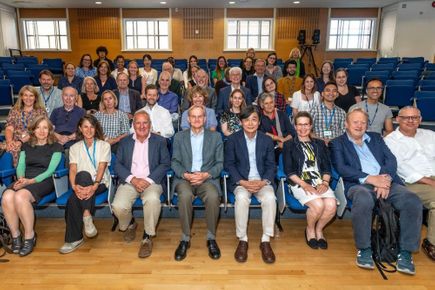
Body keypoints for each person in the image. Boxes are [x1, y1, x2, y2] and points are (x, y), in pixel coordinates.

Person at [330, 108, 422, 275]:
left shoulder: (377, 138)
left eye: (363, 122)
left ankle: (406, 253)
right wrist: (370, 179)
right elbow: (342, 168)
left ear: (367, 124)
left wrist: (383, 180)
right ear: (346, 124)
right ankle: (364, 248)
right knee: (364, 199)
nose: (359, 125)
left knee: (412, 200)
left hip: (387, 182)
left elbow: (391, 160)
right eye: (355, 122)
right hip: (359, 184)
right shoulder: (337, 143)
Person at [112, 111, 170, 258]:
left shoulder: (160, 141)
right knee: (118, 206)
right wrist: (133, 179)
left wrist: (148, 180)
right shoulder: (124, 142)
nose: (142, 126)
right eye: (138, 123)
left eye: (145, 123)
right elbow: (117, 165)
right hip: (130, 181)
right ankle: (131, 222)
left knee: (152, 200)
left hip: (152, 182)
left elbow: (165, 164)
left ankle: (147, 237)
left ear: (150, 125)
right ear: (133, 125)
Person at [1, 116, 63, 256]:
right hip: (25, 178)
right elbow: (21, 165)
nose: (41, 131)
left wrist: (30, 181)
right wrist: (21, 178)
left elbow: (50, 171)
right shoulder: (26, 145)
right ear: (33, 130)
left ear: (50, 130)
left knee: (20, 196)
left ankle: (30, 236)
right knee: (7, 196)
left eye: (45, 128)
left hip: (44, 180)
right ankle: (16, 236)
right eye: (38, 127)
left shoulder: (56, 146)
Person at [224, 105, 277, 264]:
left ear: (259, 122)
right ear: (241, 122)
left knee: (269, 197)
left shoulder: (266, 140)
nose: (250, 123)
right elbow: (229, 164)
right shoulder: (233, 139)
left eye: (254, 119)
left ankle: (265, 239)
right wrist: (243, 182)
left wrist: (263, 182)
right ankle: (243, 239)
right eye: (246, 120)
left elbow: (271, 165)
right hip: (242, 180)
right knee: (241, 198)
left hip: (262, 181)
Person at [171, 105, 223, 261]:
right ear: (188, 119)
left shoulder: (216, 137)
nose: (197, 119)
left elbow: (220, 163)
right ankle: (185, 238)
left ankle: (211, 237)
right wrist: (186, 175)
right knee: (185, 196)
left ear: (205, 119)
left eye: (200, 116)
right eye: (193, 116)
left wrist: (206, 175)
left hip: (206, 178)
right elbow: (174, 162)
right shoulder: (179, 137)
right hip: (185, 178)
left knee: (213, 196)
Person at [384, 106, 435, 261]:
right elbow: (401, 168)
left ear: (420, 120)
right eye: (406, 118)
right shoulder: (391, 140)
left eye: (415, 117)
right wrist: (429, 181)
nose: (411, 121)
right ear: (397, 120)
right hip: (412, 182)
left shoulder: (430, 135)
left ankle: (430, 241)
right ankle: (432, 242)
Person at [283, 111, 337, 250]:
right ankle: (310, 230)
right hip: (299, 182)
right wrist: (304, 184)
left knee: (331, 205)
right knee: (318, 205)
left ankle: (319, 230)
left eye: (306, 124)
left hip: (319, 181)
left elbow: (326, 167)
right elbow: (289, 171)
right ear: (295, 126)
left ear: (311, 125)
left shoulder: (319, 143)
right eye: (299, 125)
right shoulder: (289, 144)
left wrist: (325, 183)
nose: (302, 128)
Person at [59, 114, 112, 254]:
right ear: (80, 129)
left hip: (100, 183)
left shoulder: (104, 145)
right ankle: (86, 217)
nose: (89, 130)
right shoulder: (74, 148)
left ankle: (74, 237)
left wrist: (94, 186)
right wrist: (74, 187)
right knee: (76, 190)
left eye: (92, 127)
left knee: (82, 179)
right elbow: (73, 169)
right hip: (80, 186)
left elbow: (101, 167)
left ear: (96, 128)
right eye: (85, 127)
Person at [2, 85, 47, 165]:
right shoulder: (14, 110)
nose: (28, 98)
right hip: (14, 140)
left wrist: (20, 141)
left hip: (33, 140)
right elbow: (9, 128)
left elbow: (38, 131)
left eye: (31, 95)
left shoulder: (41, 112)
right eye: (25, 95)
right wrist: (9, 141)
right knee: (9, 148)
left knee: (15, 150)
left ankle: (19, 176)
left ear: (35, 97)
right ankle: (11, 175)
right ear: (21, 97)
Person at [259, 92, 296, 161]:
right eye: (266, 103)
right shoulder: (259, 118)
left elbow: (292, 132)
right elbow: (261, 133)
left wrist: (284, 141)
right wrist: (278, 138)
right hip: (269, 148)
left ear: (274, 103)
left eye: (271, 102)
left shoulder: (281, 114)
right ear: (262, 105)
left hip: (286, 143)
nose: (269, 105)